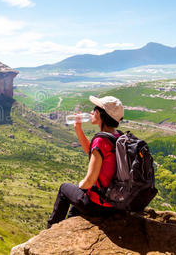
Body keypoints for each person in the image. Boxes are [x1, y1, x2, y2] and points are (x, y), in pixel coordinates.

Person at [47, 96, 124, 229]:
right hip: (117, 204)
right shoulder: (118, 137)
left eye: (94, 110)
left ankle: (50, 230)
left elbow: (89, 181)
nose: (91, 113)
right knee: (77, 202)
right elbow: (92, 152)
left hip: (100, 206)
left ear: (100, 114)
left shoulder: (101, 140)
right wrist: (78, 129)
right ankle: (68, 227)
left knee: (64, 189)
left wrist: (80, 186)